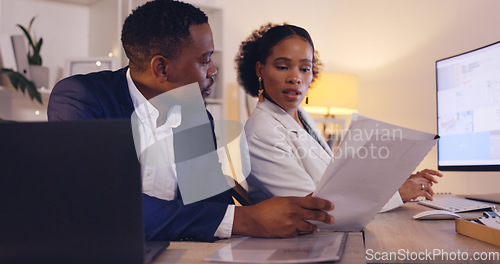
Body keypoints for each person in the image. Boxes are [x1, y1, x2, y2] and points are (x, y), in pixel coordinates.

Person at [47, 0, 334, 242]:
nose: (213, 70)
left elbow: (210, 204)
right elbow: (99, 206)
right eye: (204, 60)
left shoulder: (195, 118)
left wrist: (259, 215)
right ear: (161, 67)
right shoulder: (83, 98)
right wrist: (246, 220)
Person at [236, 23, 443, 208]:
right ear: (260, 70)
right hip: (297, 245)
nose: (295, 78)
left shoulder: (301, 116)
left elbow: (334, 185)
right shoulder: (261, 132)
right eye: (282, 67)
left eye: (305, 68)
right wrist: (396, 194)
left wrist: (394, 183)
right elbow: (314, 206)